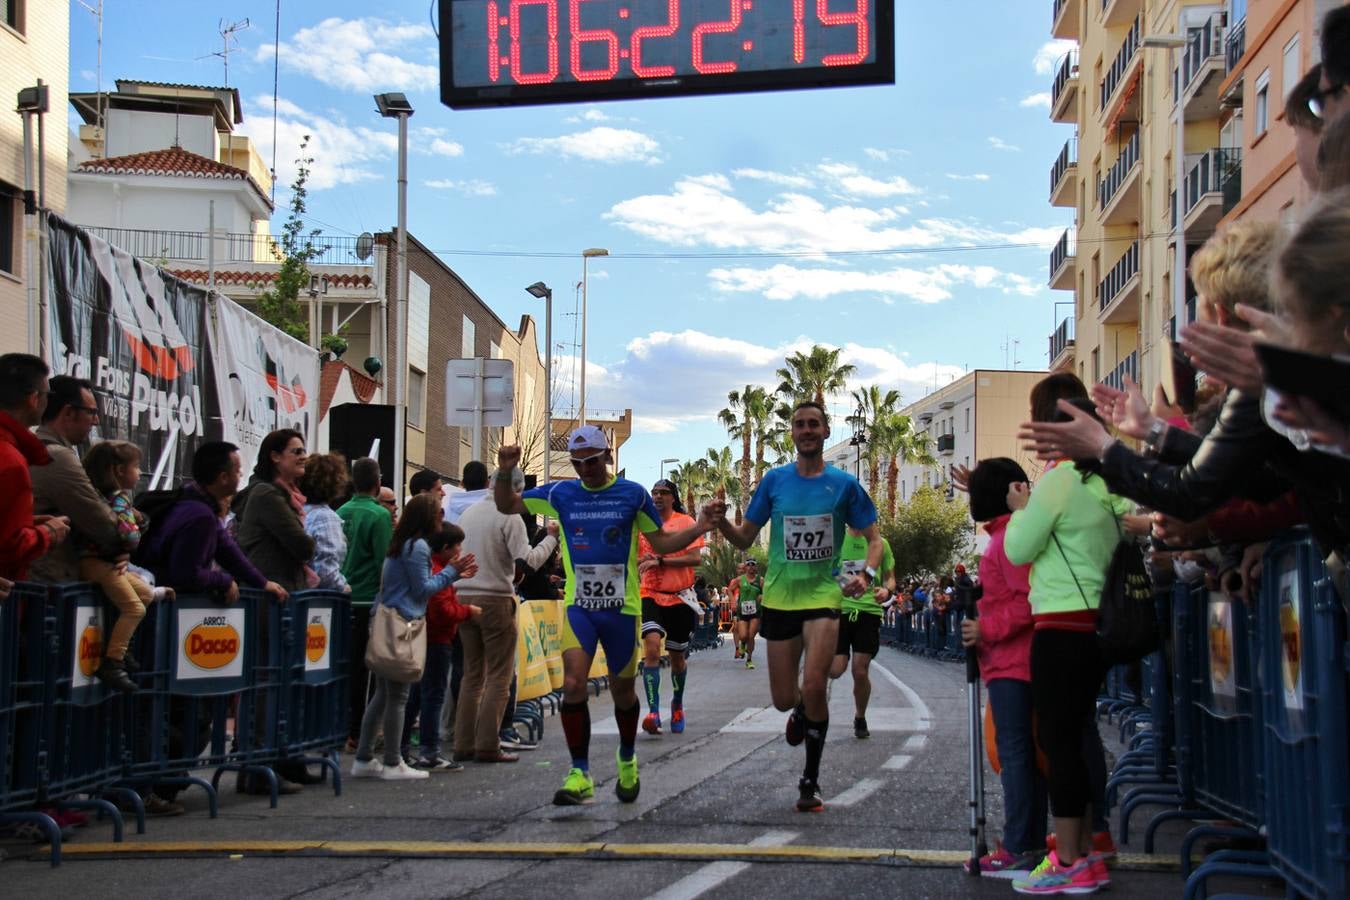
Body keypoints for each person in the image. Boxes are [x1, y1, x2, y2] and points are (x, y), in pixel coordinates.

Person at [491, 427, 718, 806]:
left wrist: (699, 528)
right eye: (578, 464)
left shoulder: (633, 495)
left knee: (622, 691)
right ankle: (579, 772)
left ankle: (627, 758)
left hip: (622, 609)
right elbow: (506, 504)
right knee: (575, 683)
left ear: (607, 456)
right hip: (581, 608)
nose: (585, 470)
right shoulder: (560, 493)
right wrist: (504, 469)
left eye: (592, 462)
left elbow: (660, 541)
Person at [716, 401, 883, 813]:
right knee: (783, 698)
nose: (806, 430)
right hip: (780, 598)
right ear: (792, 433)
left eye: (814, 424)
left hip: (826, 596)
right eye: (799, 425)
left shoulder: (845, 485)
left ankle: (810, 780)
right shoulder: (774, 481)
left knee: (815, 684)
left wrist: (868, 575)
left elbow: (875, 540)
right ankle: (799, 713)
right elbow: (743, 538)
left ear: (826, 432)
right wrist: (719, 522)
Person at [1005, 397, 1128, 895]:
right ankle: (1083, 852)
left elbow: (1018, 549)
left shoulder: (1059, 480)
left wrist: (1019, 510)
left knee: (1057, 744)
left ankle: (1072, 861)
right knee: (1075, 737)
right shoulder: (1109, 482)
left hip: (1058, 624)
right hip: (1098, 625)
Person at [960, 458, 1048, 880]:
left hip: (1015, 660)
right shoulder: (1003, 535)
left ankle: (1020, 846)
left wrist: (985, 627)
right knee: (1021, 754)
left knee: (1016, 755)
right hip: (1010, 660)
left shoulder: (1009, 538)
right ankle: (1027, 841)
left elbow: (1027, 598)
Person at [352, 494, 477, 781]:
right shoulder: (418, 547)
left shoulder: (401, 544)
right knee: (398, 695)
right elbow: (423, 589)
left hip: (385, 617)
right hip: (403, 622)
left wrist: (451, 574)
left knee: (383, 695)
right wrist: (451, 572)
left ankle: (365, 755)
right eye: (437, 514)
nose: (441, 519)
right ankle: (393, 761)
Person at [453, 467, 559, 763]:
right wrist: (550, 539)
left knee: (472, 674)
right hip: (496, 597)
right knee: (499, 675)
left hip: (464, 594)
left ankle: (463, 742)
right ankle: (488, 743)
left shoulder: (469, 513)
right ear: (517, 490)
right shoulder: (509, 517)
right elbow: (527, 561)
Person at [79, 441, 172, 692]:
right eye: (136, 467)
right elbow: (130, 536)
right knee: (134, 608)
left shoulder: (106, 497)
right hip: (98, 564)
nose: (140, 473)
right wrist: (134, 528)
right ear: (119, 470)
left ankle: (123, 647)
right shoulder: (118, 500)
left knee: (144, 595)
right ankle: (113, 660)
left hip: (106, 563)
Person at [28, 376, 123, 585]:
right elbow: (106, 526)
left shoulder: (34, 449)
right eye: (92, 412)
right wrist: (133, 521)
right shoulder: (57, 458)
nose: (96, 421)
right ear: (69, 412)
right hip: (46, 586)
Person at [403, 524, 481, 771]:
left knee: (417, 695)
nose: (460, 549)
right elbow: (442, 610)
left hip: (431, 637)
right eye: (457, 545)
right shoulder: (436, 569)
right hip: (436, 640)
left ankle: (405, 748)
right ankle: (429, 751)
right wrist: (468, 611)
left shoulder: (437, 568)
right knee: (432, 694)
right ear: (445, 547)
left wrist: (456, 575)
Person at [637, 478, 706, 736]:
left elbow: (695, 558)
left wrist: (661, 561)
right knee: (652, 649)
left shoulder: (685, 523)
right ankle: (653, 713)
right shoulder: (643, 525)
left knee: (677, 659)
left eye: (663, 492)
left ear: (673, 497)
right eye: (654, 492)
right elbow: (635, 556)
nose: (657, 496)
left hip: (680, 597)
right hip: (650, 594)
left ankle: (677, 703)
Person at [338, 457, 394, 748]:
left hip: (339, 598)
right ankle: (361, 731)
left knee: (345, 667)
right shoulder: (379, 515)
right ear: (377, 482)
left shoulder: (340, 511)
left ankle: (344, 727)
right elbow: (385, 561)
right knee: (369, 670)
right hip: (368, 600)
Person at [0, 354, 68, 584]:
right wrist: (47, 533)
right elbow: (9, 547)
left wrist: (26, 523)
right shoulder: (10, 460)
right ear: (34, 398)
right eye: (48, 395)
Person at [828, 525, 896, 740]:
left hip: (868, 611)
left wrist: (886, 591)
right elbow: (828, 571)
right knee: (836, 669)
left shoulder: (880, 544)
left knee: (860, 670)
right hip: (840, 610)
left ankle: (860, 717)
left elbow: (890, 577)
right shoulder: (837, 542)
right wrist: (843, 582)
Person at [234, 429, 316, 593]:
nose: (303, 457)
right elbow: (303, 546)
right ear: (275, 457)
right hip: (270, 596)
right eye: (296, 452)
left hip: (279, 591)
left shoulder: (288, 496)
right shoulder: (267, 495)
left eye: (304, 451)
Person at [301, 453, 351, 593]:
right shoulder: (326, 517)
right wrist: (343, 587)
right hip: (319, 603)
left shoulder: (299, 512)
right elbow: (326, 571)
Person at [731, 560, 763, 668]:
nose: (750, 567)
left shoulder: (760, 580)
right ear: (745, 568)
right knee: (743, 635)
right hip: (742, 611)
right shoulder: (740, 579)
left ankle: (749, 659)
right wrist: (732, 602)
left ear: (756, 567)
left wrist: (762, 596)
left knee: (751, 635)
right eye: (748, 565)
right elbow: (730, 590)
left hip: (756, 612)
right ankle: (742, 643)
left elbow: (767, 592)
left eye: (753, 565)